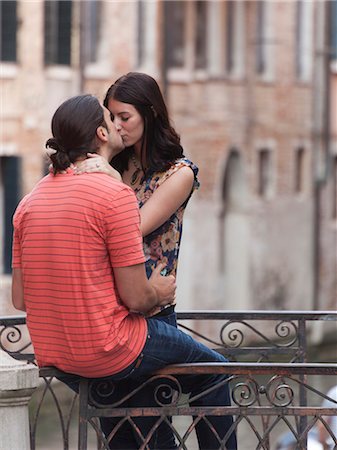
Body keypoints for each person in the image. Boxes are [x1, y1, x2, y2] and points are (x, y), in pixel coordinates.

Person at [12, 94, 237, 450]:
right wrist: (161, 293)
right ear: (101, 133)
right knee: (214, 373)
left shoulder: (28, 202)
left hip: (57, 355)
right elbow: (136, 297)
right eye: (110, 119)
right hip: (108, 348)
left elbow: (21, 298)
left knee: (136, 422)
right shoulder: (112, 193)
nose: (118, 125)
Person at [74, 72, 200, 326]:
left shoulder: (179, 174)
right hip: (108, 307)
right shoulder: (118, 164)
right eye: (112, 117)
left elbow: (133, 226)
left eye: (125, 117)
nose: (117, 126)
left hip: (153, 310)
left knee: (217, 365)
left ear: (150, 114)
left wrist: (111, 177)